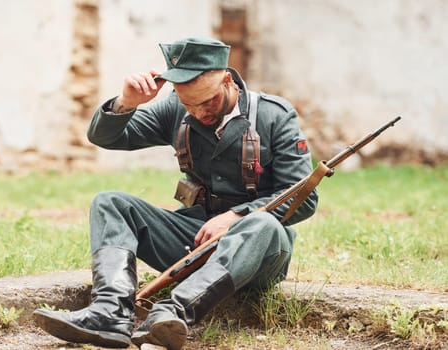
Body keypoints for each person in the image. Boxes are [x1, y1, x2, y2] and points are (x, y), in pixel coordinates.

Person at [33, 37, 318, 350]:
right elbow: (107, 137)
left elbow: (303, 198)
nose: (198, 113)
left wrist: (237, 217)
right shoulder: (175, 109)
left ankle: (173, 312)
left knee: (261, 225)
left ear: (226, 79)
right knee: (110, 203)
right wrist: (126, 103)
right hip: (194, 241)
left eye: (207, 102)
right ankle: (109, 313)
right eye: (188, 104)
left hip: (258, 254)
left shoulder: (274, 116)